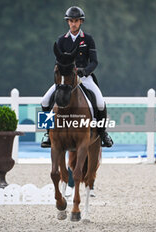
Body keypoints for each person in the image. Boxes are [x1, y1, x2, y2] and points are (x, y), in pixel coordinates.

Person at [41, 6, 113, 148]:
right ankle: (47, 133)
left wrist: (83, 71)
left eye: (76, 21)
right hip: (66, 79)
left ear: (81, 22)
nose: (73, 23)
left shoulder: (88, 39)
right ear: (68, 22)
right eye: (71, 21)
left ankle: (103, 132)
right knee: (44, 101)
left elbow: (94, 62)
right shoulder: (61, 40)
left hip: (84, 78)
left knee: (100, 103)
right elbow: (58, 61)